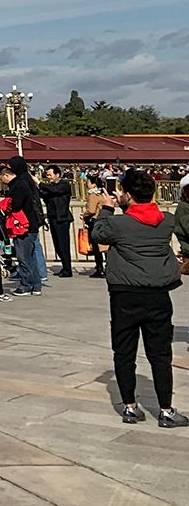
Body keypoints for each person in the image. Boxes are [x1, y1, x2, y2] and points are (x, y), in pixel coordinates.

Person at [88, 169, 188, 427]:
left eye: (121, 191)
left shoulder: (118, 224)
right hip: (158, 295)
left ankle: (130, 406)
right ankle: (166, 409)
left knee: (124, 352)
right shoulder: (165, 220)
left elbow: (97, 233)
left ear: (129, 195)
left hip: (125, 295)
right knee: (160, 354)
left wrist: (108, 208)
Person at [4, 158, 48, 296]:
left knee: (24, 256)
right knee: (31, 256)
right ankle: (36, 284)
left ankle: (26, 284)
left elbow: (17, 204)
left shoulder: (19, 184)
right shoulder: (27, 180)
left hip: (23, 225)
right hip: (32, 223)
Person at [40, 165, 75, 279]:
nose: (48, 177)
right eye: (47, 175)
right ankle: (64, 267)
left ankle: (67, 268)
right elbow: (43, 193)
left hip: (62, 218)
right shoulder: (50, 187)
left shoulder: (63, 185)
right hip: (53, 218)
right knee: (57, 244)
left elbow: (54, 190)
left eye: (50, 175)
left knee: (63, 244)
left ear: (57, 175)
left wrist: (40, 183)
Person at [87, 175, 116, 278]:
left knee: (97, 248)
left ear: (93, 184)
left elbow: (91, 210)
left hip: (95, 221)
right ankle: (109, 267)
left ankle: (100, 269)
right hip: (105, 220)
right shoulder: (102, 194)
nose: (87, 184)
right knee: (105, 247)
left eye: (89, 182)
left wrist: (85, 215)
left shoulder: (93, 194)